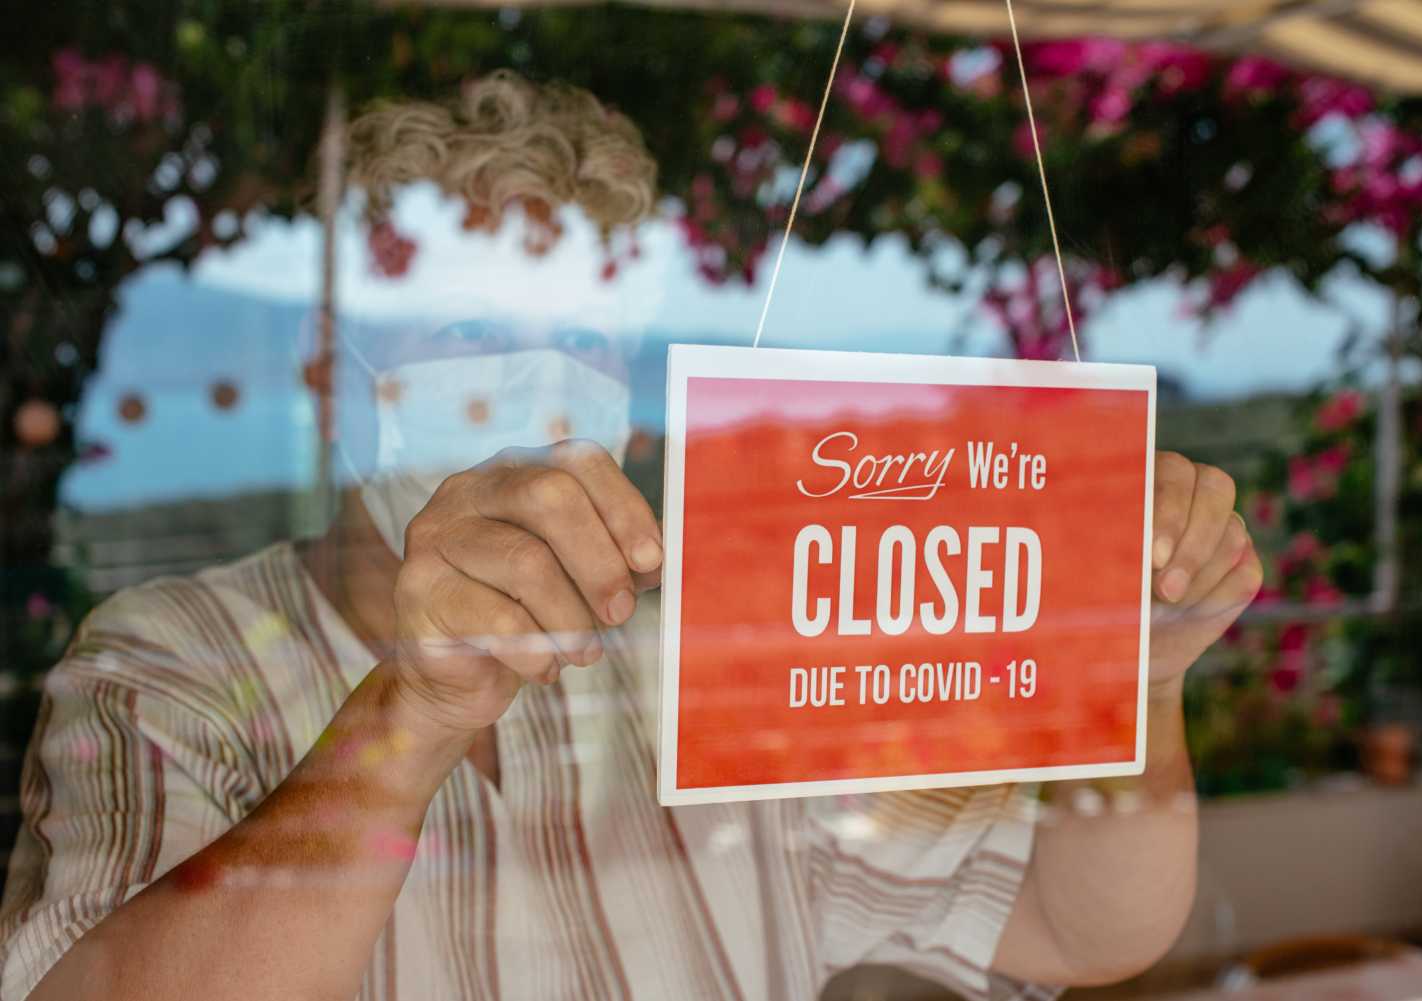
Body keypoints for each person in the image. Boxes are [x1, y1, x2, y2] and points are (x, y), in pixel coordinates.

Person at [0, 72, 1262, 1001]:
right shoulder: (168, 657)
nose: (534, 374)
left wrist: (1134, 680)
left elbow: (1073, 925)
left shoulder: (710, 655)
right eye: (463, 324)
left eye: (583, 331)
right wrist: (412, 719)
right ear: (332, 381)